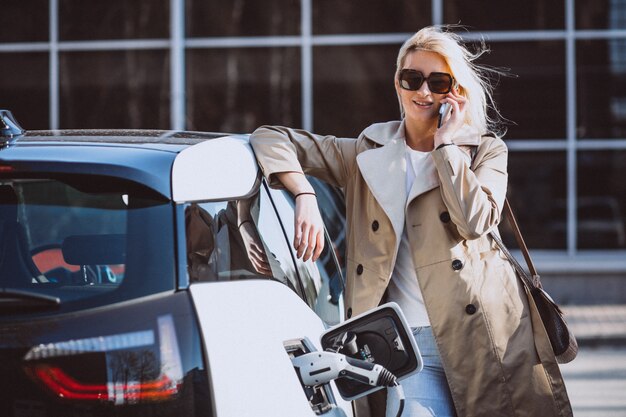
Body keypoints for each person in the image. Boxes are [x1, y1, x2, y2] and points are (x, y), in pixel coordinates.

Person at [250, 26, 572, 417]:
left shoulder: (485, 151)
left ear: (456, 92)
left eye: (438, 82)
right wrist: (305, 194)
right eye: (412, 79)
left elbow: (476, 221)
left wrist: (446, 146)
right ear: (398, 84)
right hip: (406, 346)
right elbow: (270, 137)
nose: (423, 92)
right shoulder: (364, 155)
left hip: (482, 341)